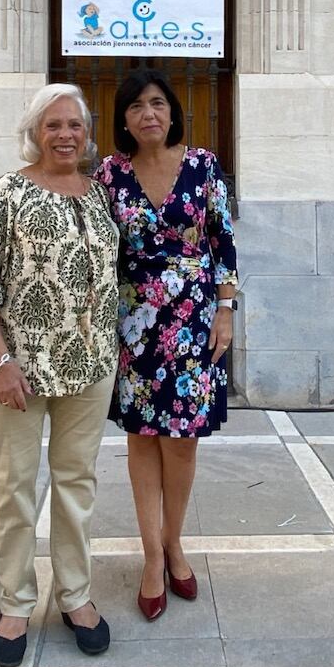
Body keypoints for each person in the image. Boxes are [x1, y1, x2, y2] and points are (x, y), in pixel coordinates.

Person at [0, 83, 120, 667]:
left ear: (87, 133)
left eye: (74, 124)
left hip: (89, 366)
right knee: (14, 486)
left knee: (77, 482)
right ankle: (15, 603)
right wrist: (0, 362)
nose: (65, 135)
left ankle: (74, 595)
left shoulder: (99, 193)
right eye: (53, 125)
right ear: (35, 132)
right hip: (15, 370)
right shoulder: (9, 191)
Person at [94, 69, 238, 621]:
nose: (148, 113)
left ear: (173, 111)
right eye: (135, 106)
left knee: (182, 442)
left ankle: (175, 542)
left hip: (194, 322)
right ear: (124, 119)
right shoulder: (110, 175)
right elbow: (99, 251)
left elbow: (223, 242)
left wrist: (225, 310)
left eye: (157, 103)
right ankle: (152, 555)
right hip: (133, 325)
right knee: (142, 440)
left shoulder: (203, 166)